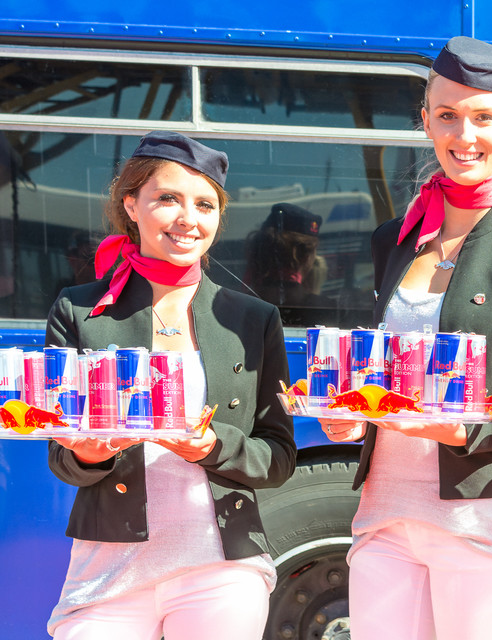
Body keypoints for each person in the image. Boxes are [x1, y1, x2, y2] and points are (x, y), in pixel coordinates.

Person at [320, 37, 492, 640]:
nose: (466, 135)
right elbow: (379, 372)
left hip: (478, 519)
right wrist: (346, 416)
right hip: (384, 514)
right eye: (448, 115)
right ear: (426, 121)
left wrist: (462, 430)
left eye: (484, 117)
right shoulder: (393, 239)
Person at [45, 131, 297, 640]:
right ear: (131, 204)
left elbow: (278, 457)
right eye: (167, 198)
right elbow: (60, 455)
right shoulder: (79, 310)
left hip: (223, 565)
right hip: (109, 568)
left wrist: (212, 446)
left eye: (205, 205)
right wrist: (90, 454)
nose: (188, 218)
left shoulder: (253, 318)